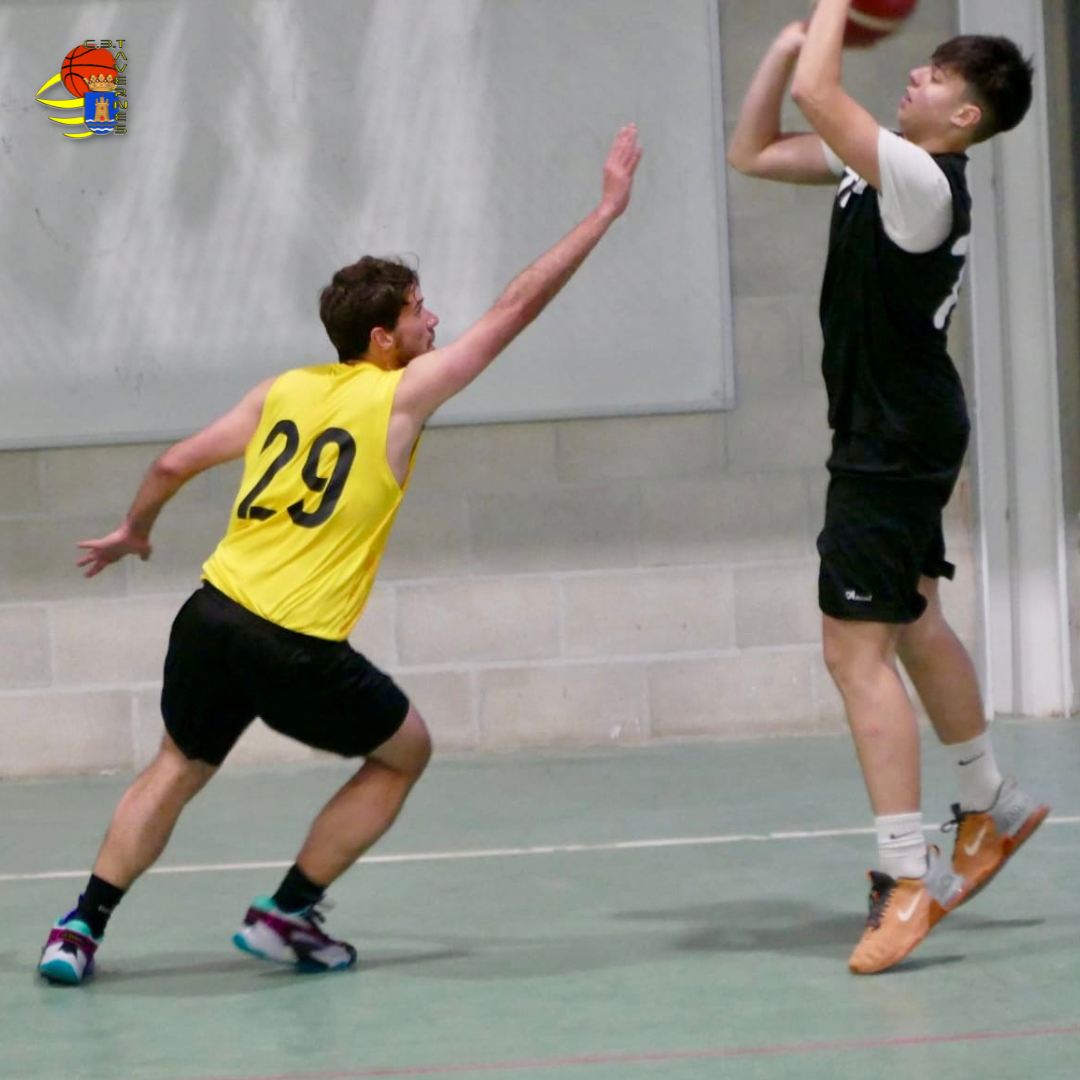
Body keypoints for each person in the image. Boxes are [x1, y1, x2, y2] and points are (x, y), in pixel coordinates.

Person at [38, 124, 643, 985]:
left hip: (210, 614)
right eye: (420, 310)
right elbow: (515, 310)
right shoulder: (401, 397)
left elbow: (172, 463)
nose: (435, 319)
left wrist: (136, 531)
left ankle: (78, 929)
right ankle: (287, 912)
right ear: (385, 337)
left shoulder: (283, 389)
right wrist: (606, 210)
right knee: (406, 750)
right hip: (294, 642)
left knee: (176, 765)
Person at [727, 0, 1048, 975]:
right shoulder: (879, 169)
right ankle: (991, 802)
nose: (917, 74)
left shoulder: (920, 179)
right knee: (912, 621)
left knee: (852, 651)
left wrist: (828, 12)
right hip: (903, 426)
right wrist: (785, 47)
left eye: (938, 75)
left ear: (965, 119)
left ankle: (908, 878)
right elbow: (753, 151)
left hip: (890, 440)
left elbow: (822, 94)